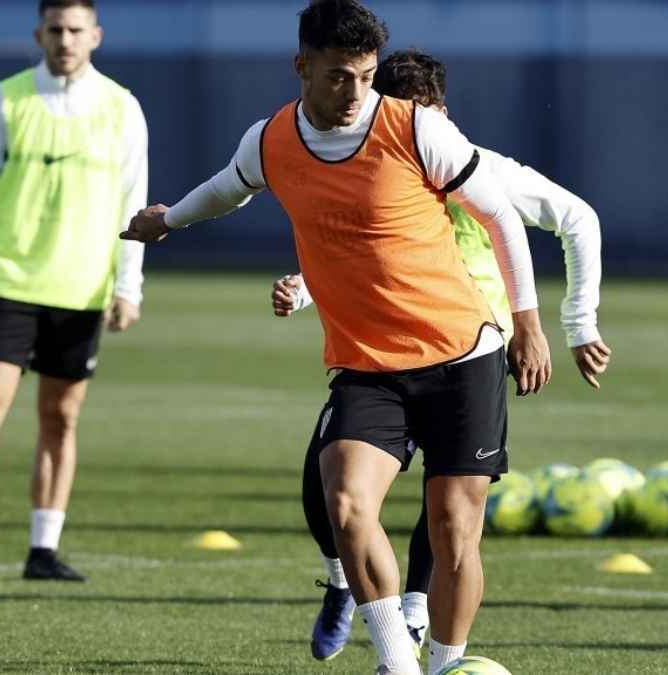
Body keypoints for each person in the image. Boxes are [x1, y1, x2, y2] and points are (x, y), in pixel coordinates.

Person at [120, 3, 551, 673]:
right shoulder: (270, 142)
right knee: (346, 499)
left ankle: (445, 662)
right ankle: (399, 665)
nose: (355, 94)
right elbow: (227, 191)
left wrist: (527, 322)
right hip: (368, 365)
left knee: (452, 531)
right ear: (303, 67)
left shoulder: (416, 130)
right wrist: (167, 220)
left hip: (464, 355)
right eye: (338, 77)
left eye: (367, 76)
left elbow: (500, 217)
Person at [269, 48, 611, 664]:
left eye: (427, 117)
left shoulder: (479, 170)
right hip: (380, 356)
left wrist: (576, 324)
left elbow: (577, 219)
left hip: (471, 354)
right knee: (328, 494)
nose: (417, 133)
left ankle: (418, 620)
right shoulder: (371, 161)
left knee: (450, 505)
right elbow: (359, 256)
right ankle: (344, 581)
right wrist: (301, 288)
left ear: (443, 115)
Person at [0, 0, 148, 583]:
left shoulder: (122, 108)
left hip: (81, 288)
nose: (65, 39)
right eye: (55, 29)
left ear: (96, 36)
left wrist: (128, 285)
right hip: (9, 280)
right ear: (39, 33)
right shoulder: (6, 99)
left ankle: (43, 549)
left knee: (61, 417)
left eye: (76, 30)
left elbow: (136, 203)